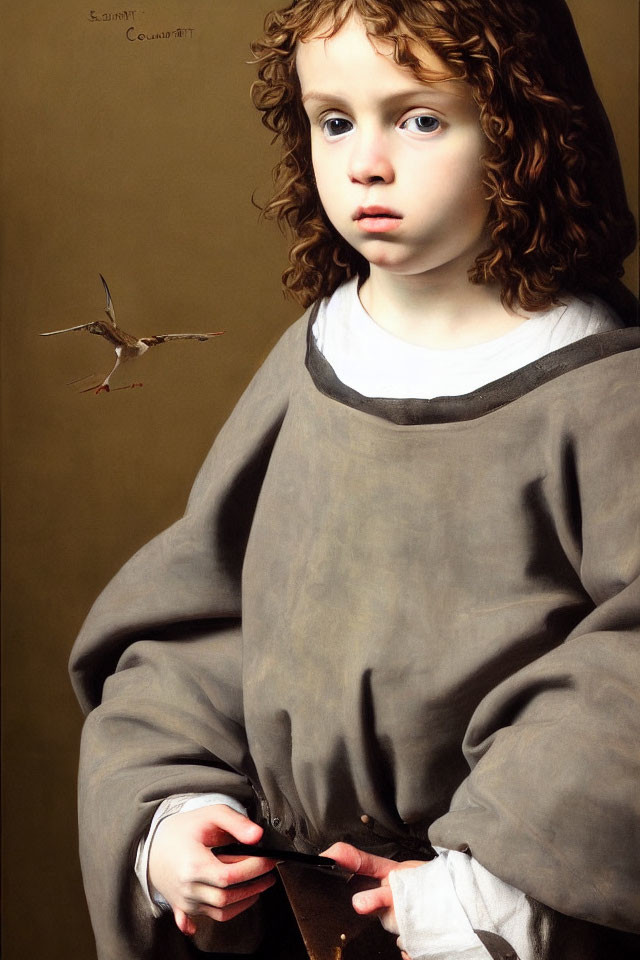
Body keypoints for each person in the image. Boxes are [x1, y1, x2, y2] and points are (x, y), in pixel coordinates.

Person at [70, 2, 640, 959]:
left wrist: (498, 884)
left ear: (521, 127)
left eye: (420, 118)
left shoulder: (603, 387)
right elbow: (207, 615)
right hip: (293, 904)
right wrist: (172, 810)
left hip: (484, 913)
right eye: (334, 119)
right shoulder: (319, 355)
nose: (364, 162)